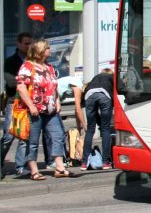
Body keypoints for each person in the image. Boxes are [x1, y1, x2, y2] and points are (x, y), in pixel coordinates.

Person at [17, 39, 70, 180]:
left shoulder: (49, 68)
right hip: (34, 110)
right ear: (40, 50)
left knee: (58, 136)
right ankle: (34, 170)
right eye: (47, 48)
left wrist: (57, 101)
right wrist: (31, 106)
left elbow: (53, 87)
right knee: (32, 141)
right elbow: (21, 88)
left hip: (51, 111)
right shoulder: (28, 67)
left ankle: (59, 167)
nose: (50, 51)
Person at [2, 32, 32, 177]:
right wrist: (24, 80)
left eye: (30, 43)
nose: (28, 46)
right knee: (9, 135)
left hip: (28, 101)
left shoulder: (32, 61)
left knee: (24, 136)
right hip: (13, 101)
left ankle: (20, 166)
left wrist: (21, 79)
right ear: (18, 44)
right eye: (26, 43)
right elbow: (11, 83)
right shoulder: (11, 61)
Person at [82, 68, 115, 170]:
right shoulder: (111, 78)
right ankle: (105, 162)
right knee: (105, 129)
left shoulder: (94, 79)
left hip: (89, 96)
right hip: (104, 96)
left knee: (90, 129)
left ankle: (84, 162)